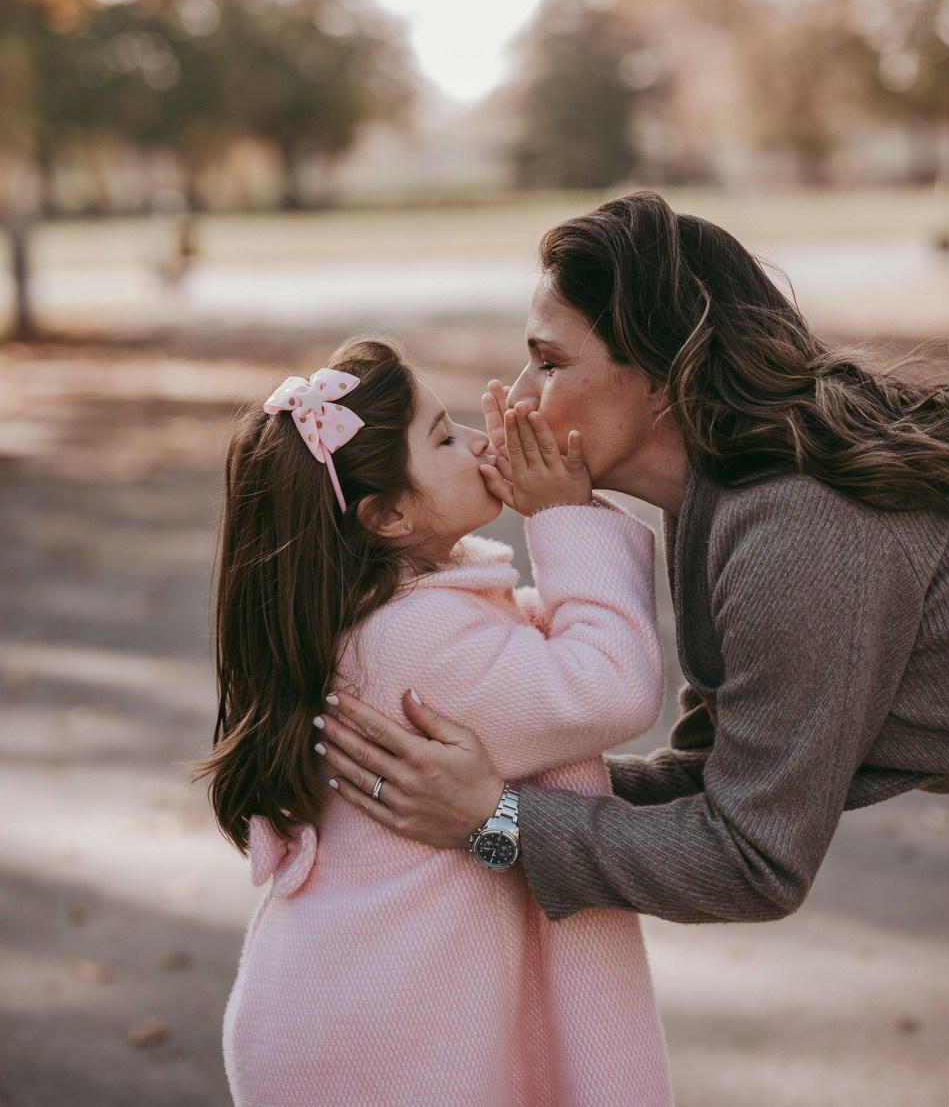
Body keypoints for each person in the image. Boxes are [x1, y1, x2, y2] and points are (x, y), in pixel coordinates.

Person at [314, 193, 949, 1107]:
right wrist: (483, 791)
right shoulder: (721, 497)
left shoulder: (798, 525)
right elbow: (717, 773)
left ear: (666, 376)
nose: (515, 402)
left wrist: (496, 820)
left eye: (549, 363)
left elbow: (753, 856)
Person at [195, 337, 674, 1107]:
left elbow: (526, 662)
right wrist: (564, 516)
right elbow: (608, 683)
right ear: (387, 516)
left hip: (357, 1007)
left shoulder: (379, 624)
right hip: (393, 1038)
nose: (479, 442)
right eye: (444, 438)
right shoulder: (411, 645)